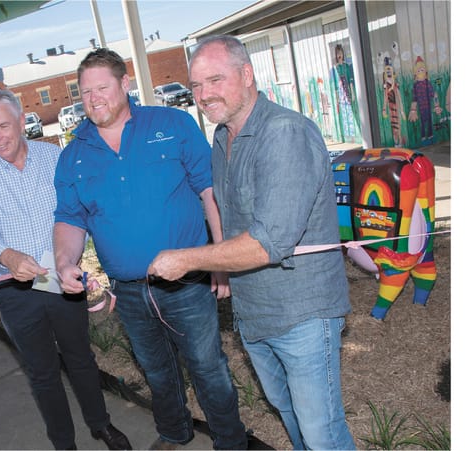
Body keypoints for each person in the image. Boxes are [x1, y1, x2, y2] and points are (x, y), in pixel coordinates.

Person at [148, 35, 355, 450]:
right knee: (290, 411)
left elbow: (267, 242)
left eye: (214, 80)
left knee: (321, 432)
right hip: (255, 312)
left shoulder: (284, 134)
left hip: (303, 314)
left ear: (246, 75)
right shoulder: (223, 139)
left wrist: (190, 259)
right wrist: (222, 266)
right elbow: (229, 214)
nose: (204, 94)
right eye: (196, 86)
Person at [52, 48, 248, 450]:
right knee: (157, 371)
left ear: (125, 84)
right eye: (85, 92)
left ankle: (231, 442)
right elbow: (70, 218)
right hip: (128, 290)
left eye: (102, 87)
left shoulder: (172, 124)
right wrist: (63, 261)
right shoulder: (72, 155)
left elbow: (210, 192)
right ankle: (174, 432)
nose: (94, 99)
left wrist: (223, 259)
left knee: (208, 368)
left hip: (187, 281)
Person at [0, 89, 131, 451]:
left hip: (59, 275)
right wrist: (7, 256)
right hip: (14, 288)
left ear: (23, 122)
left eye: (4, 126)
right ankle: (64, 444)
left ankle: (100, 425)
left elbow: (77, 210)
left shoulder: (54, 157)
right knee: (42, 373)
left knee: (81, 358)